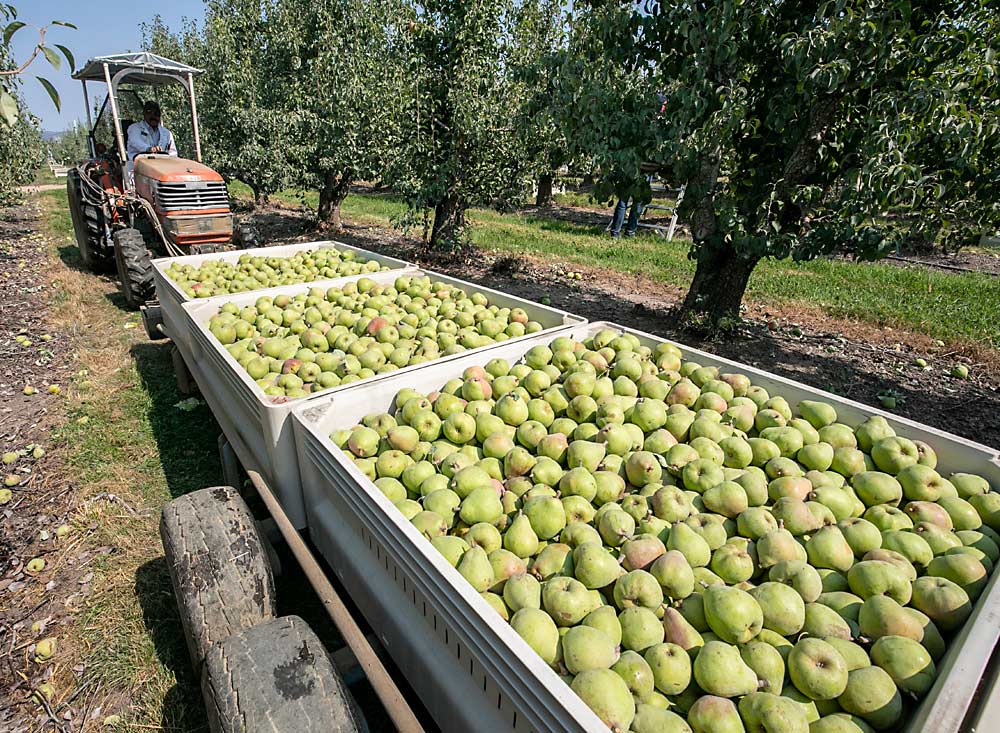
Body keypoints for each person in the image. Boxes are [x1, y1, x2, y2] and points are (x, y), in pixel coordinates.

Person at [126, 101, 177, 179]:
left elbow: (173, 153)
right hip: (138, 171)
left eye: (156, 114)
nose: (153, 117)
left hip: (162, 171)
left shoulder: (166, 133)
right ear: (144, 114)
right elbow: (135, 142)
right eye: (150, 113)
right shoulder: (135, 128)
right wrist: (149, 149)